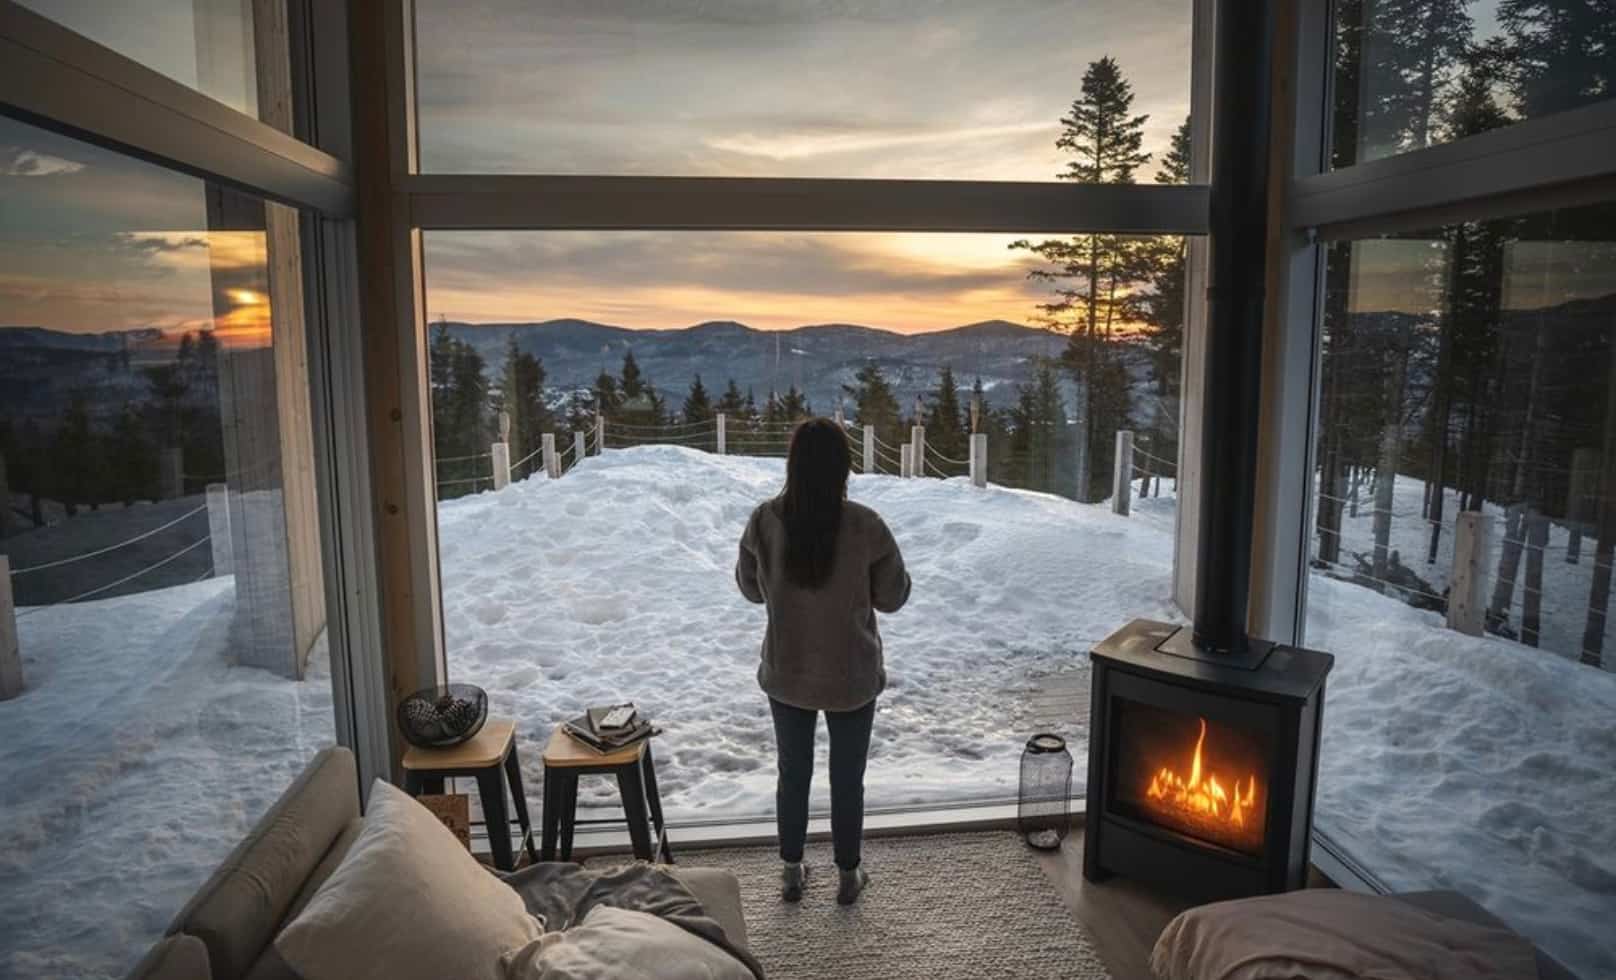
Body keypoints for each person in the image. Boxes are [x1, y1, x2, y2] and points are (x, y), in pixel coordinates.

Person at [735, 417, 911, 905]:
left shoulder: (763, 521)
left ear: (792, 465)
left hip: (787, 673)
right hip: (850, 676)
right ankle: (848, 876)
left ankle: (792, 871)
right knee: (846, 777)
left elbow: (750, 589)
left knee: (793, 773)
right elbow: (894, 596)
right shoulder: (865, 525)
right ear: (843, 468)